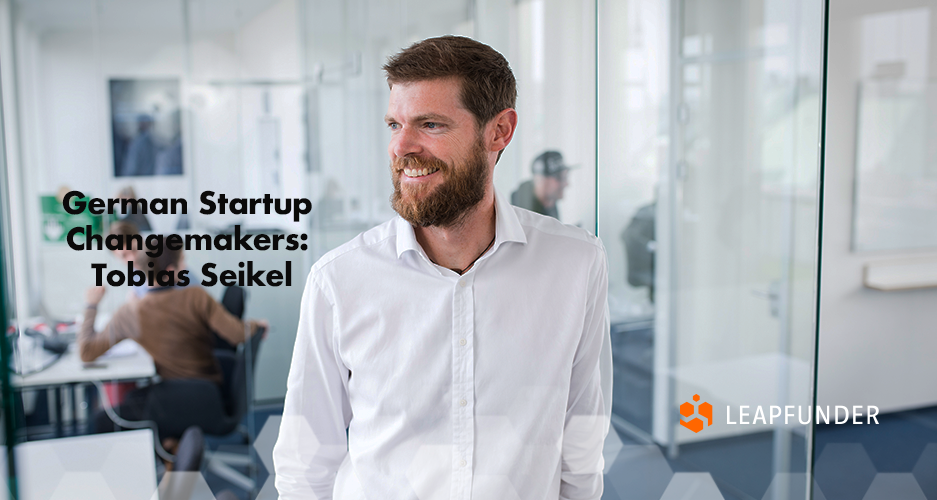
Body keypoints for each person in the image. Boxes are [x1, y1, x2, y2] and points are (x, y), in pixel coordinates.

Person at [274, 36, 612, 499]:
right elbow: (305, 465)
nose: (402, 147)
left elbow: (582, 432)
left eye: (430, 124)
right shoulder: (340, 280)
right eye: (395, 124)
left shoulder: (575, 264)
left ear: (499, 132)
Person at [79, 247, 267, 438]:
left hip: (179, 400)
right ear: (170, 271)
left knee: (103, 419)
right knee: (134, 397)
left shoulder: (130, 312)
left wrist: (91, 304)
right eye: (182, 263)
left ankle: (169, 453)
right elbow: (237, 334)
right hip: (210, 393)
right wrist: (256, 326)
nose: (185, 268)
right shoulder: (196, 296)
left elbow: (86, 352)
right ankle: (173, 450)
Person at [510, 150, 572, 219]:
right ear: (539, 180)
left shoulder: (550, 202)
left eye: (565, 178)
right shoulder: (521, 208)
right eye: (560, 178)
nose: (566, 184)